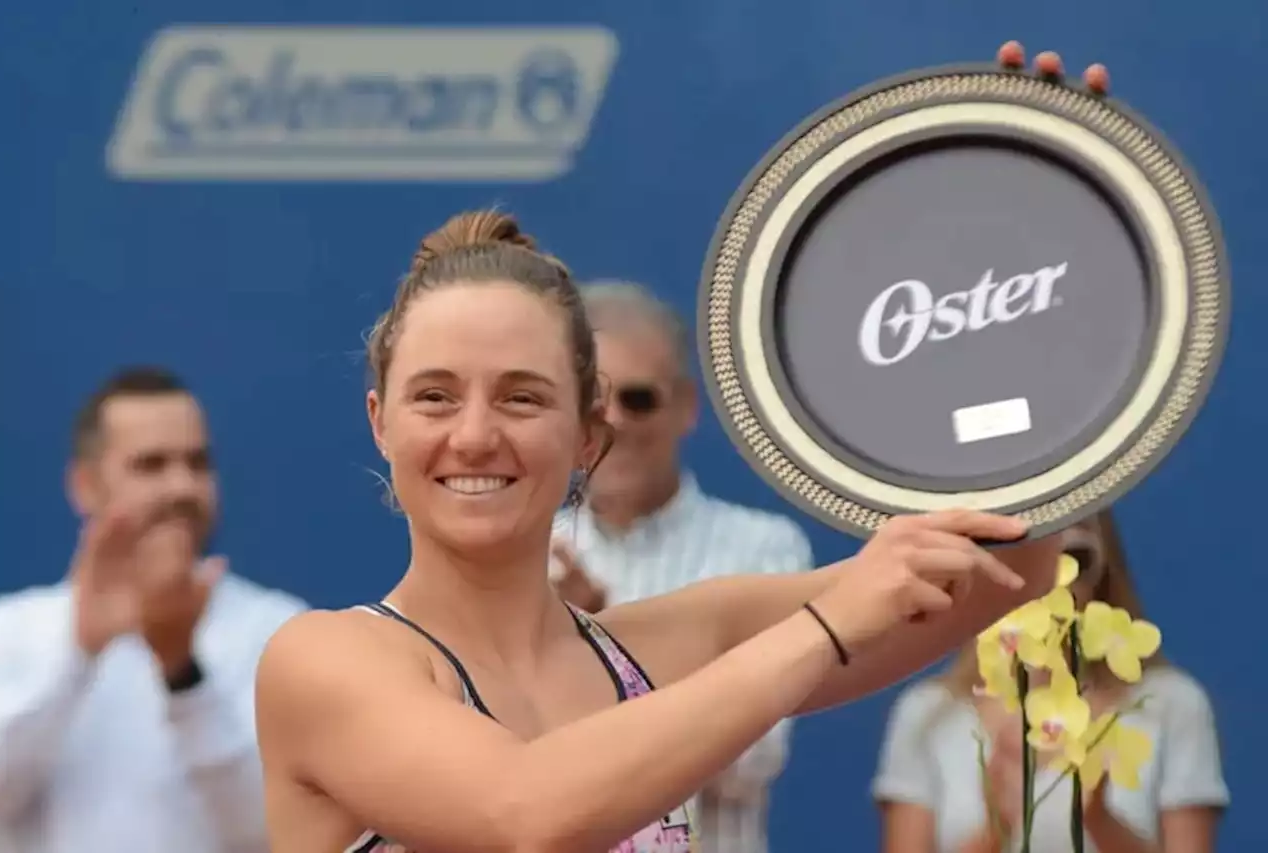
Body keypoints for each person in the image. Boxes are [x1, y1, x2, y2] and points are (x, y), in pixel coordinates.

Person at [254, 45, 1106, 853]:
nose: (474, 434)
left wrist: (1033, 217)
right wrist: (824, 626)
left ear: (589, 435)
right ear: (380, 421)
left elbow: (1010, 567)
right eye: (434, 395)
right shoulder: (327, 661)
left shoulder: (669, 644)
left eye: (522, 396)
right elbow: (526, 812)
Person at [0, 367, 308, 853]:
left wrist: (183, 673)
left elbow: (277, 829)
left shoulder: (277, 631)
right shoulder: (8, 631)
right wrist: (78, 656)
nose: (181, 487)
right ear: (84, 486)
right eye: (150, 465)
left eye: (197, 463)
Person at [549, 280, 811, 852]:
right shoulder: (524, 555)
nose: (613, 420)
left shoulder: (761, 550)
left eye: (638, 398)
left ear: (686, 406)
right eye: (593, 398)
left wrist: (597, 644)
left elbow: (750, 760)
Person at [872, 510, 1229, 853]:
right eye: (1022, 558)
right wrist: (998, 827)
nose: (1052, 582)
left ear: (1104, 568)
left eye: (1074, 556)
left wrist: (1100, 820)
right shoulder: (930, 714)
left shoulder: (1169, 705)